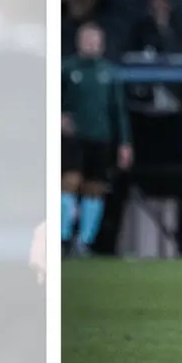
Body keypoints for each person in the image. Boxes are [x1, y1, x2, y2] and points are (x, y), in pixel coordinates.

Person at [61, 23, 133, 256]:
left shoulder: (109, 73)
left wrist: (125, 142)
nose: (91, 44)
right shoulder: (66, 68)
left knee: (95, 188)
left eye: (95, 40)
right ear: (79, 41)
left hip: (101, 137)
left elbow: (118, 110)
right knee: (69, 181)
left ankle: (84, 241)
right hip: (73, 138)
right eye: (87, 39)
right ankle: (62, 237)